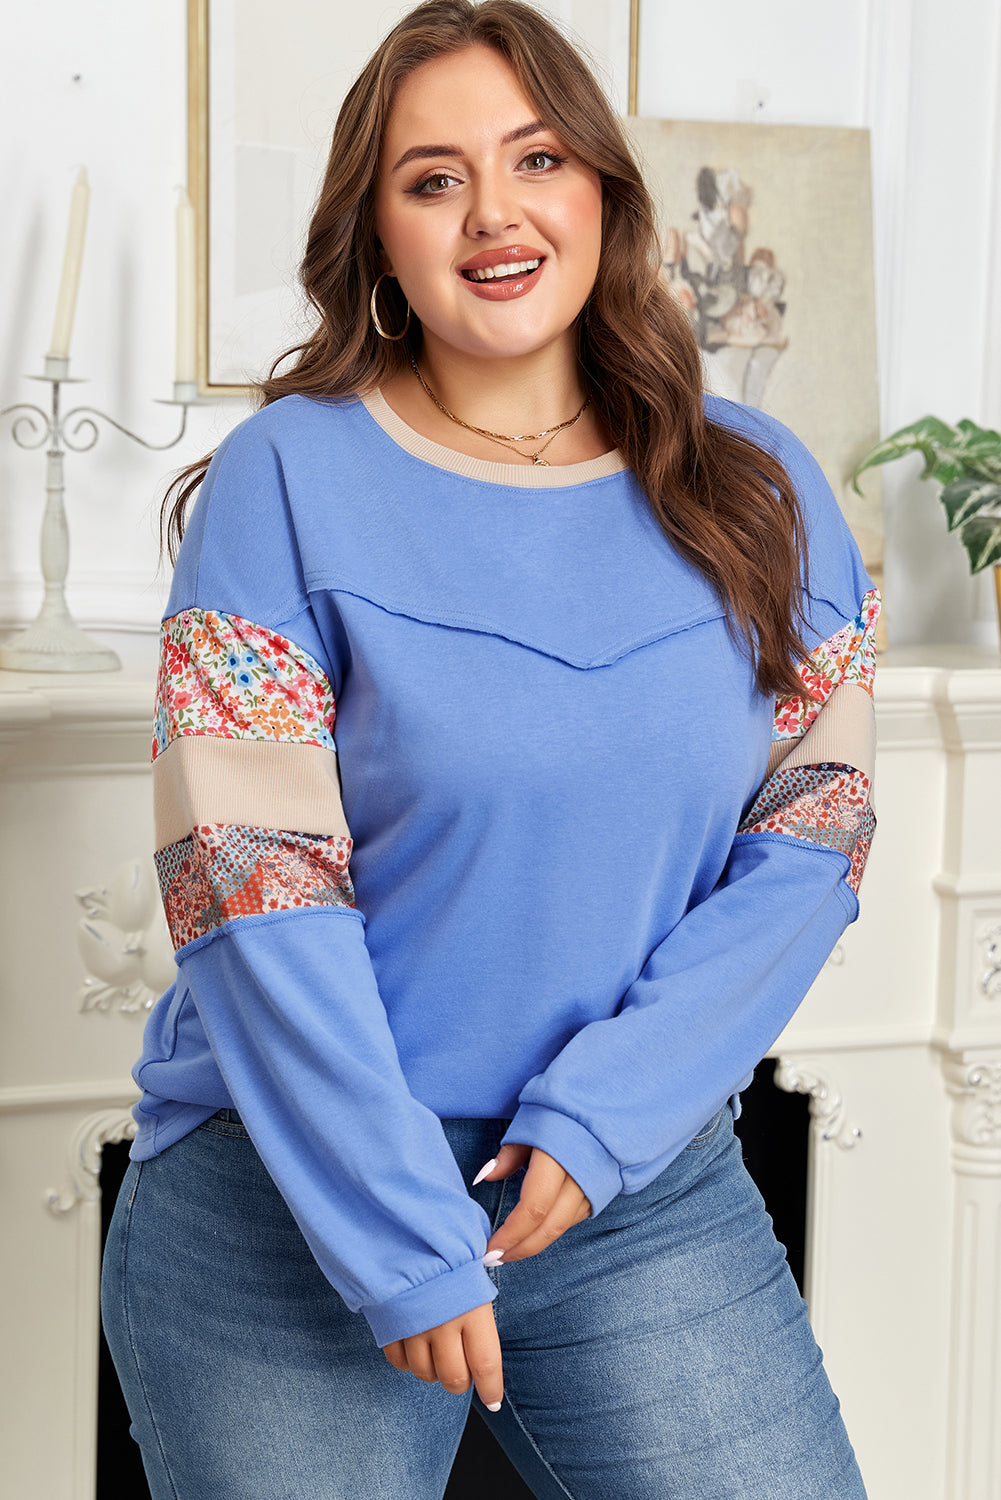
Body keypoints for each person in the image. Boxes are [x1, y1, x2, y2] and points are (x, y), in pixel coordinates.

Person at [101, 3, 879, 1496]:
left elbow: (811, 842)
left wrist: (606, 1121)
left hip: (631, 1186)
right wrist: (399, 1227)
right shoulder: (284, 480)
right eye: (434, 178)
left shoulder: (763, 486)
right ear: (376, 236)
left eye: (536, 159)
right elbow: (246, 883)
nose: (494, 215)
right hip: (292, 1190)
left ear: (604, 193)